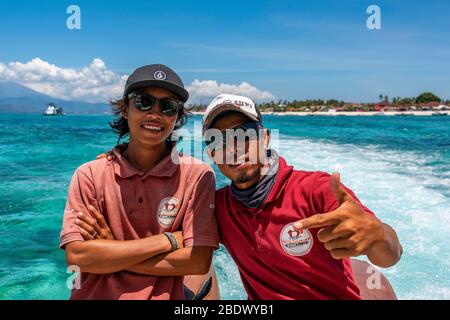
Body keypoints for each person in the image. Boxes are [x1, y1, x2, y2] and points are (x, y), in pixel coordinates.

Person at [201, 93, 403, 300]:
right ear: (212, 155)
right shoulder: (219, 207)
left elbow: (390, 256)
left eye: (244, 134)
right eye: (219, 141)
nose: (234, 148)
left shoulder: (317, 190)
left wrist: (378, 235)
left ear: (265, 139)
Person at [59, 64, 219, 300]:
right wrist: (167, 240)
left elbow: (198, 261)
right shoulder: (89, 175)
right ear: (125, 108)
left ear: (177, 117)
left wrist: (111, 251)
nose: (155, 114)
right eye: (144, 102)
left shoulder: (198, 176)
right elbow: (78, 257)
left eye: (168, 106)